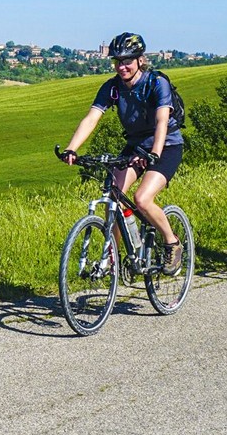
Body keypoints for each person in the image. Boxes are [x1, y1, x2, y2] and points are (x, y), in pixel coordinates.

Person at [58, 32, 185, 272]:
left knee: (142, 199)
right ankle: (112, 258)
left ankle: (172, 242)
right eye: (117, 61)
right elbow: (92, 118)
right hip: (136, 145)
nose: (121, 66)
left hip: (166, 146)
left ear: (140, 60)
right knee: (113, 196)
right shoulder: (112, 87)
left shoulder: (157, 83)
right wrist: (72, 148)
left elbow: (162, 122)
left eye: (127, 61)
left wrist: (154, 154)